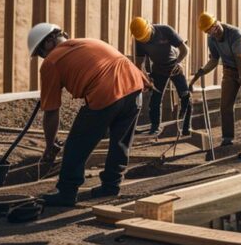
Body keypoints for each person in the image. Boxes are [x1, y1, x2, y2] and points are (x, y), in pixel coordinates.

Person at [28, 23, 150, 206]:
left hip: (106, 91)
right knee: (121, 141)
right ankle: (111, 186)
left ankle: (66, 193)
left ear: (48, 43)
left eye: (40, 53)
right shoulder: (88, 41)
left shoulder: (51, 61)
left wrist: (49, 145)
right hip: (134, 85)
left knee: (76, 144)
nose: (43, 58)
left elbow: (51, 111)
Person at [188, 12, 241, 159]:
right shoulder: (212, 40)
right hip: (229, 69)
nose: (213, 33)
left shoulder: (234, 34)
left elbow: (240, 62)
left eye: (213, 28)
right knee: (225, 105)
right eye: (208, 31)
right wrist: (199, 74)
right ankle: (227, 138)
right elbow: (214, 60)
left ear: (217, 23)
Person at [130, 17, 191, 136]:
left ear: (149, 28)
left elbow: (184, 49)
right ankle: (155, 127)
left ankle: (186, 127)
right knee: (155, 100)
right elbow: (139, 63)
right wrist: (146, 79)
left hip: (174, 66)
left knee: (186, 96)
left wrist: (178, 63)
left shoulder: (165, 30)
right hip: (158, 69)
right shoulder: (139, 39)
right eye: (142, 39)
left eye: (146, 37)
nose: (145, 41)